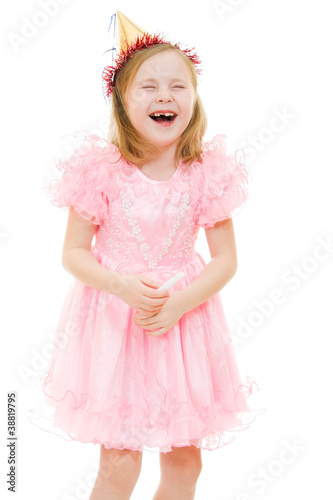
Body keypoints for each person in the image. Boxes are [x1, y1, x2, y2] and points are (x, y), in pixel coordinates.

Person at [29, 11, 265, 500]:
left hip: (182, 329)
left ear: (194, 99)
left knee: (184, 462)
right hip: (117, 323)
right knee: (120, 463)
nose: (165, 96)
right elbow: (74, 253)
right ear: (122, 102)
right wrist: (121, 286)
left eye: (178, 86)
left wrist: (180, 302)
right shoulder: (103, 172)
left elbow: (226, 261)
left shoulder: (204, 173)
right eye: (149, 87)